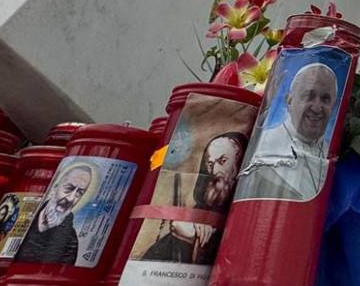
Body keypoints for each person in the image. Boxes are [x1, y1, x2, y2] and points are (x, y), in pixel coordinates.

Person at [234, 62, 339, 201]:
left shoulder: (332, 153)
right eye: (309, 96)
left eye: (325, 99)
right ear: (289, 101)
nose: (317, 108)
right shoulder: (264, 144)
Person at [139, 131, 248, 263]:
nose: (214, 171)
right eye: (210, 164)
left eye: (222, 161)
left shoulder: (247, 205)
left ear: (239, 161)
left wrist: (193, 236)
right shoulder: (204, 204)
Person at [15, 162, 94, 264]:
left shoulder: (70, 240)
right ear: (55, 187)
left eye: (79, 193)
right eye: (68, 189)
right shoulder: (26, 213)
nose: (71, 198)